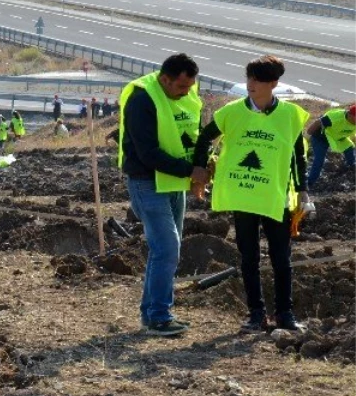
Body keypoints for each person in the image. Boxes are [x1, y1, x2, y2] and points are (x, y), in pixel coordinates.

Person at [192, 55, 309, 333]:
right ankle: (256, 314)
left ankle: (285, 314)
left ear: (274, 83)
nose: (250, 84)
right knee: (249, 258)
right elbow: (204, 137)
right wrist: (200, 166)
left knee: (282, 258)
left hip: (275, 198)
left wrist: (303, 189)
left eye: (257, 79)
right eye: (249, 78)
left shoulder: (290, 115)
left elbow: (298, 155)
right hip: (243, 196)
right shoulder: (231, 112)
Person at [118, 53, 204, 337]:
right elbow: (148, 153)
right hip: (148, 182)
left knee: (167, 250)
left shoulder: (185, 96)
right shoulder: (142, 100)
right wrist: (191, 171)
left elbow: (191, 134)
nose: (186, 92)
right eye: (181, 87)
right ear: (165, 79)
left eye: (190, 86)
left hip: (173, 183)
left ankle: (152, 313)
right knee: (166, 249)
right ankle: (158, 316)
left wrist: (200, 166)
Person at [305, 104, 356, 189]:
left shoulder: (353, 120)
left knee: (349, 148)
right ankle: (309, 183)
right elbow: (317, 123)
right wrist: (306, 137)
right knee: (319, 160)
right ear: (351, 115)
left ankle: (351, 168)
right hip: (321, 138)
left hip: (338, 137)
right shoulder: (335, 118)